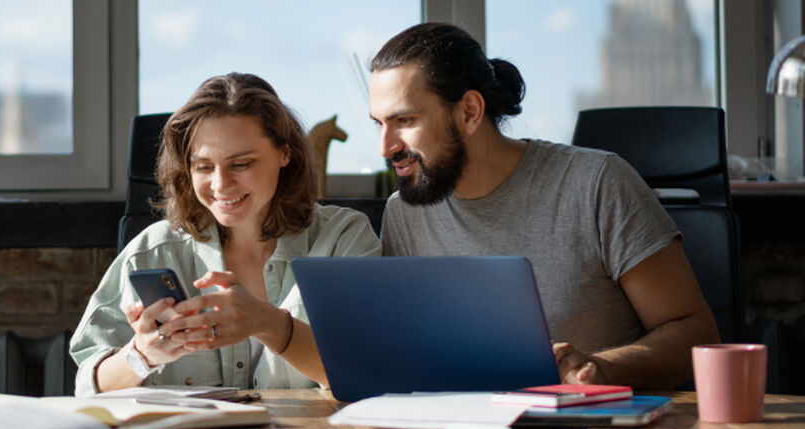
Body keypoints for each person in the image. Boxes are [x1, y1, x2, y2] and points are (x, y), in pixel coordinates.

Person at [369, 23, 719, 388]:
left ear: (470, 111)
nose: (385, 146)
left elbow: (696, 335)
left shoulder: (596, 183)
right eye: (379, 123)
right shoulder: (404, 213)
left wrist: (601, 369)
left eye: (404, 120)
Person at [70, 72, 381, 396]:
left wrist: (267, 323)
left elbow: (369, 374)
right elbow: (88, 387)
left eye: (241, 164)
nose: (220, 185)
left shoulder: (343, 239)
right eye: (203, 167)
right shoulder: (152, 251)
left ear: (284, 153)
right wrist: (143, 356)